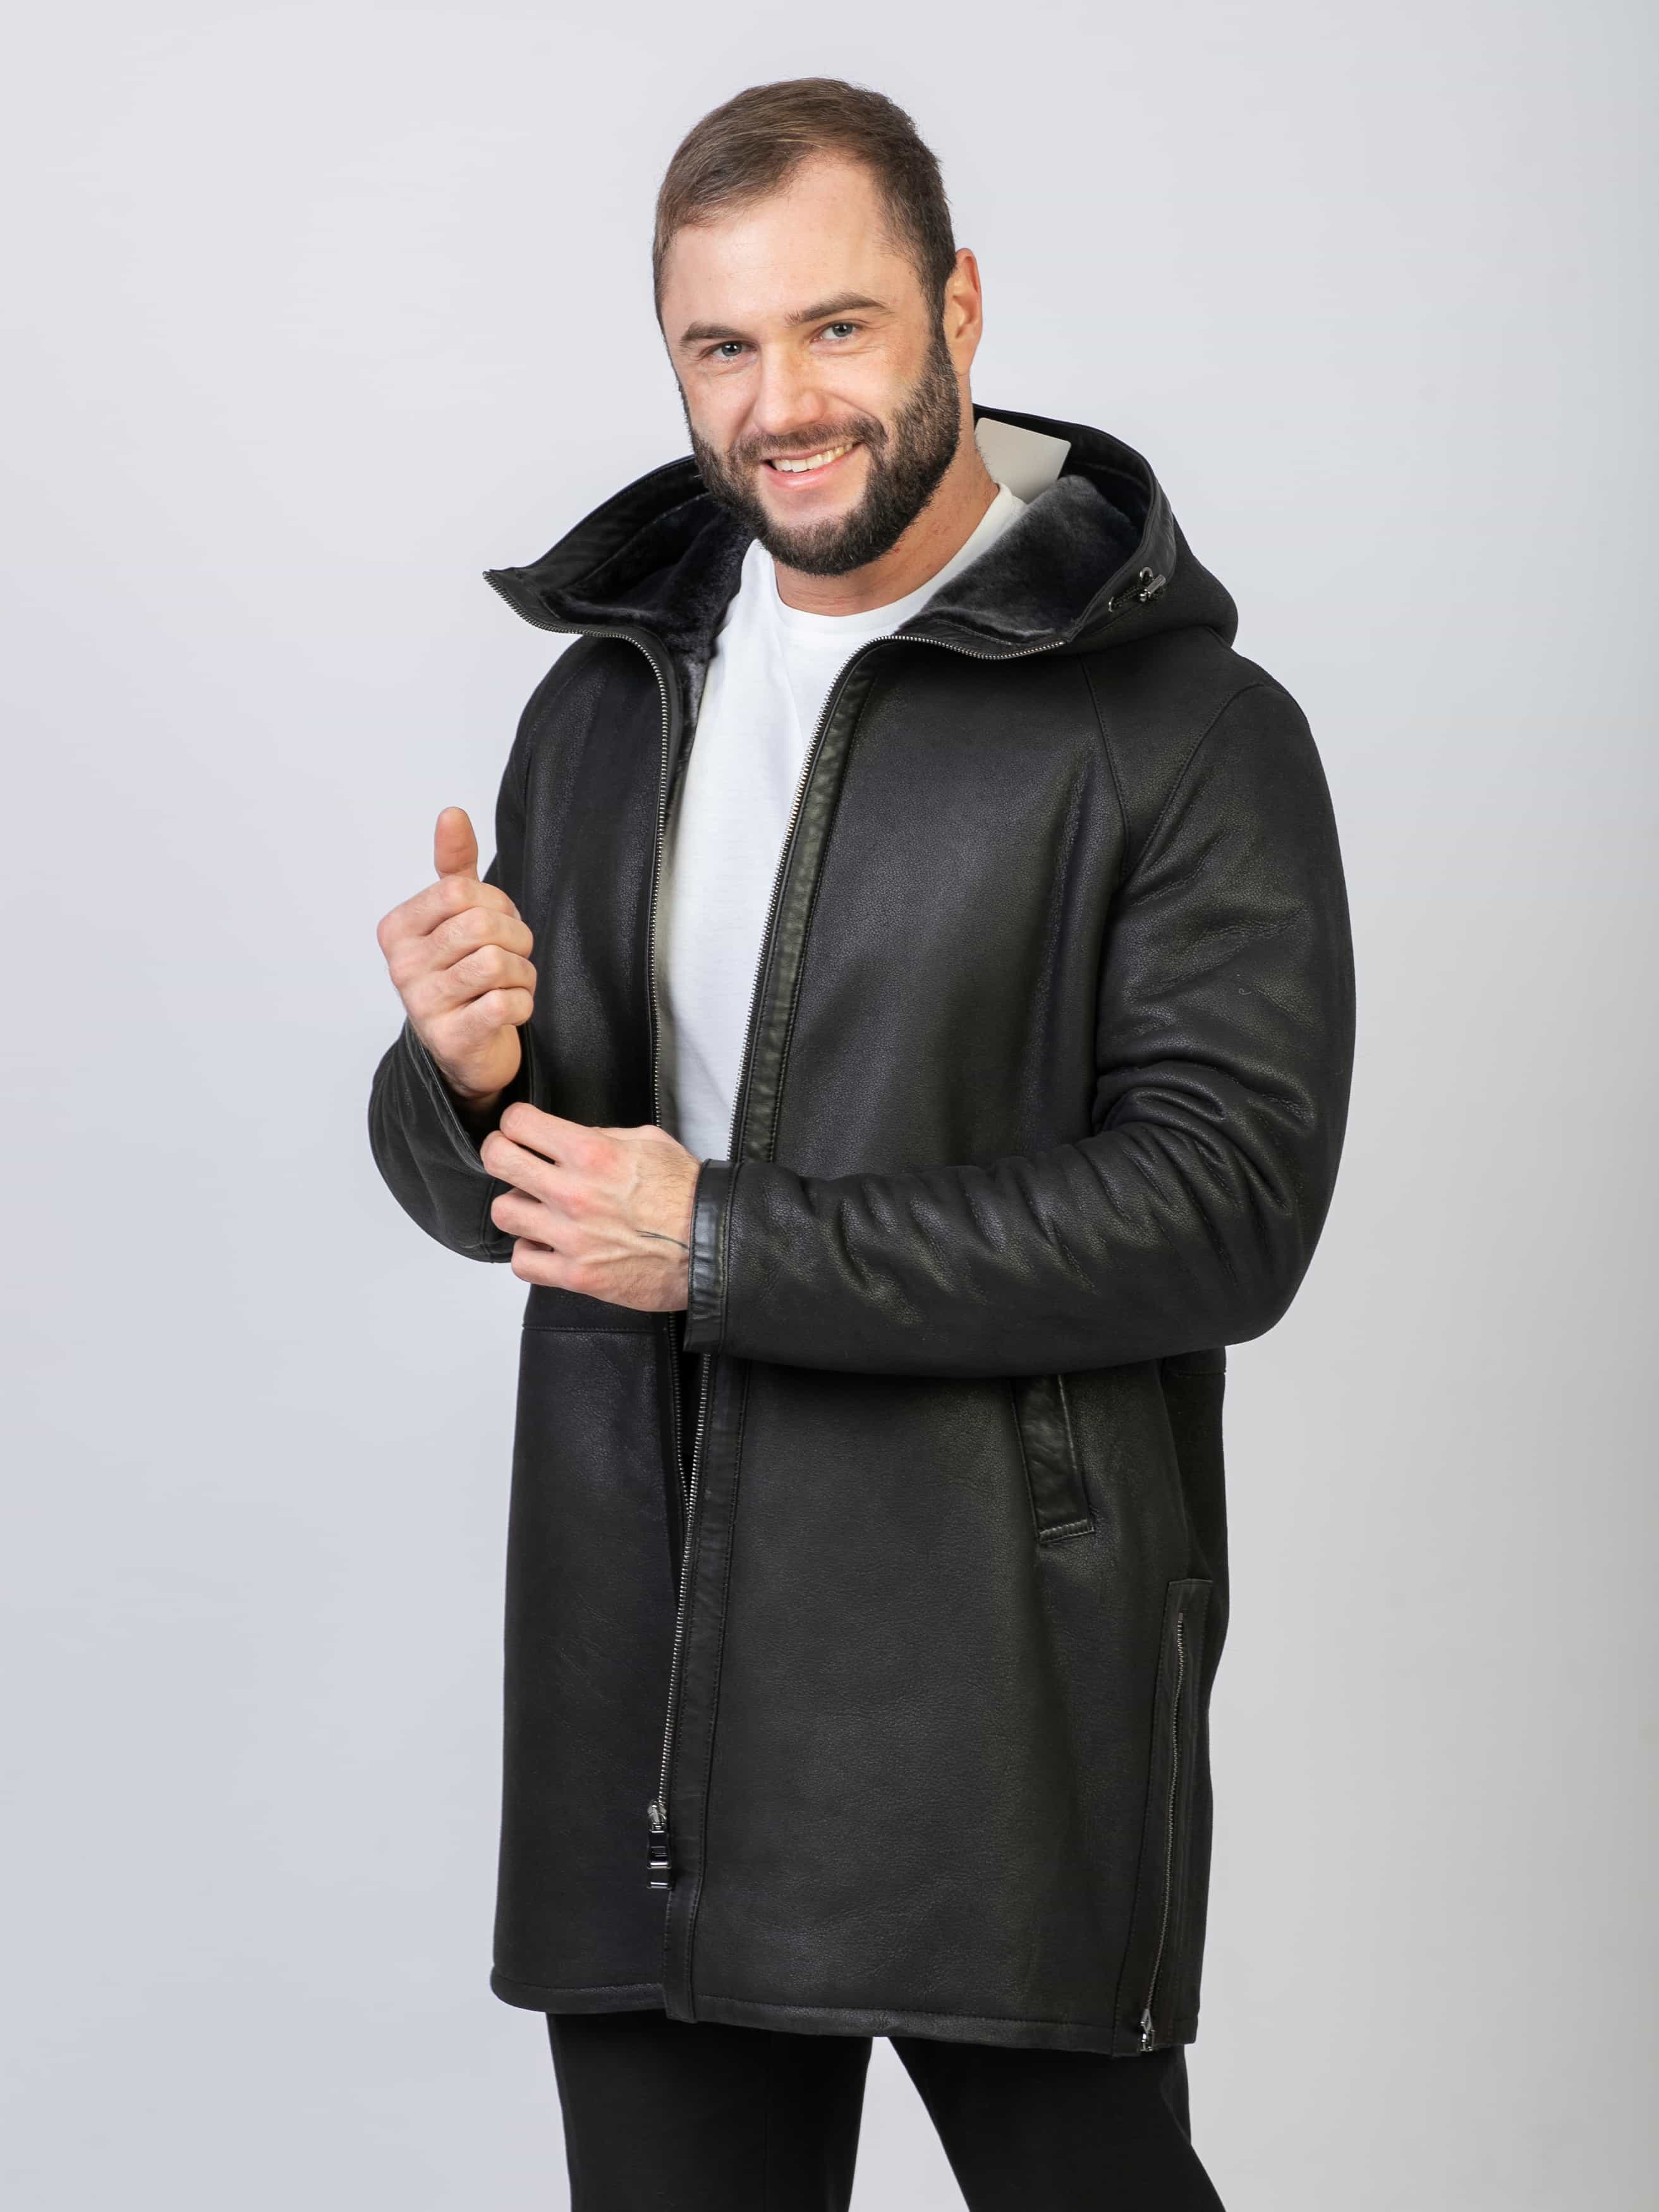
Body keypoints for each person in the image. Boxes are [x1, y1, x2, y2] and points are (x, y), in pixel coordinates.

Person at [368, 75, 1355, 2212]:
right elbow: (542, 1193)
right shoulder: (607, 699)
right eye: (720, 345)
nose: (780, 403)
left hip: (991, 1687)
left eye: (836, 327)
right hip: (639, 1680)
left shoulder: (1185, 729)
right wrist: (455, 1074)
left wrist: (724, 1245)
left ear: (958, 310)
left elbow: (1226, 1209)